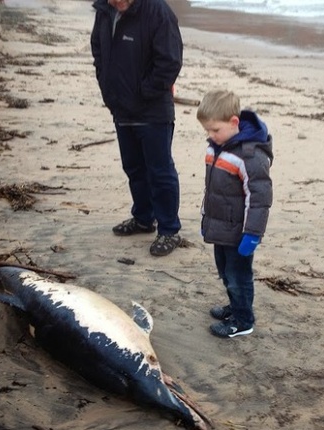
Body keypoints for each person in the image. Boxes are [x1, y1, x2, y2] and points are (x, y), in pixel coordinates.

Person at [90, 0, 184, 257]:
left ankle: (169, 229)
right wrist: (107, 88)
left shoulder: (158, 12)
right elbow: (98, 50)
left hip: (152, 111)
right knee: (133, 167)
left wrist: (143, 93)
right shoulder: (104, 11)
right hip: (120, 108)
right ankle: (143, 218)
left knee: (160, 171)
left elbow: (170, 62)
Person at [196, 90, 273, 338]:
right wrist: (206, 218)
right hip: (220, 227)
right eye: (207, 130)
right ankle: (235, 305)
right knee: (225, 271)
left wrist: (252, 234)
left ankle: (243, 320)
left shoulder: (250, 155)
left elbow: (259, 198)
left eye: (215, 130)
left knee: (238, 276)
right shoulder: (216, 148)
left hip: (240, 232)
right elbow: (212, 191)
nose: (210, 135)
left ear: (233, 122)